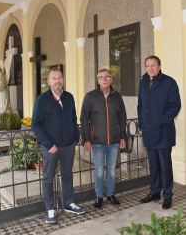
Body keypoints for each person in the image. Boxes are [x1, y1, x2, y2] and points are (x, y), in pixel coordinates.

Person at [32, 66, 85, 224]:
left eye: (60, 77)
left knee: (67, 175)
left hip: (69, 145)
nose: (58, 81)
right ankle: (49, 209)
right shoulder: (42, 100)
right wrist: (49, 144)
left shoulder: (69, 97)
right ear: (49, 82)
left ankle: (68, 203)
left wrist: (75, 138)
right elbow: (36, 124)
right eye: (54, 78)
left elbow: (73, 119)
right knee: (48, 178)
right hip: (51, 147)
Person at [137, 55, 181, 210]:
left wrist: (162, 120)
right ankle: (154, 191)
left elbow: (175, 106)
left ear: (159, 66)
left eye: (153, 65)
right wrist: (141, 125)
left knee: (165, 166)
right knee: (154, 165)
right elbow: (140, 105)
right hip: (148, 132)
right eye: (147, 65)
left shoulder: (169, 82)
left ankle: (167, 195)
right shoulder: (143, 82)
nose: (150, 68)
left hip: (163, 132)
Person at [80, 69, 127, 209]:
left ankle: (111, 194)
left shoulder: (117, 96)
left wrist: (122, 136)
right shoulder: (90, 97)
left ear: (111, 79)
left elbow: (122, 118)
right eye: (101, 77)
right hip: (97, 141)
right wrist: (86, 139)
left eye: (107, 77)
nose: (105, 79)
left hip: (113, 141)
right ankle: (99, 196)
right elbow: (84, 119)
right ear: (98, 80)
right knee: (99, 170)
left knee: (112, 169)